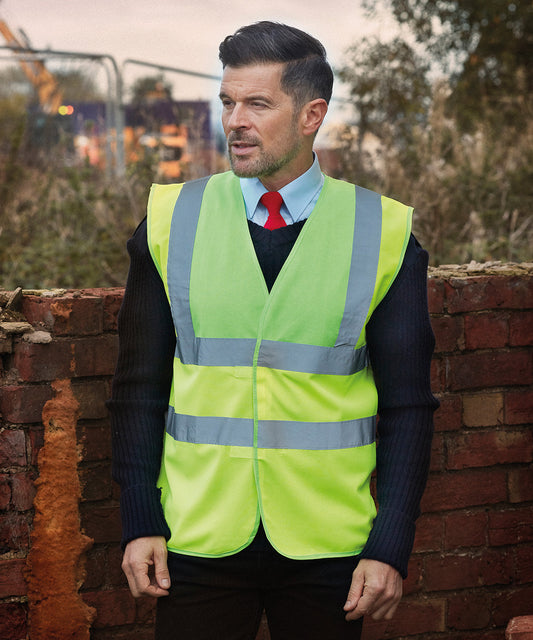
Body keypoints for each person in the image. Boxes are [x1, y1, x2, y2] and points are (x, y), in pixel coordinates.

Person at [109, 20, 438, 640]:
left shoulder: (384, 233)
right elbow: (138, 389)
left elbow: (408, 406)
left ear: (312, 115)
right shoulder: (169, 220)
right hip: (196, 537)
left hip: (330, 543)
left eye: (258, 104)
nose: (235, 121)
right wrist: (140, 517)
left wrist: (390, 544)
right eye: (227, 102)